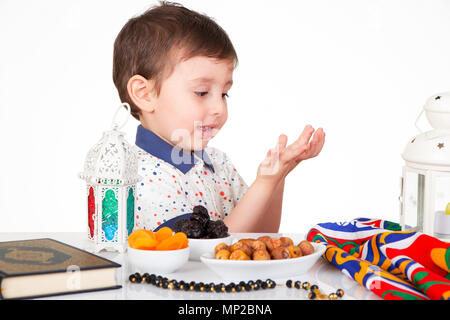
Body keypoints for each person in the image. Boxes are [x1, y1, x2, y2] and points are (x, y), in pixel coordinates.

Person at [112, 1, 325, 233]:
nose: (219, 109)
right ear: (144, 94)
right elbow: (203, 252)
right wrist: (263, 183)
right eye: (202, 92)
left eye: (224, 93)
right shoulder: (139, 176)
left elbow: (261, 234)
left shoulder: (218, 163)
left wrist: (277, 178)